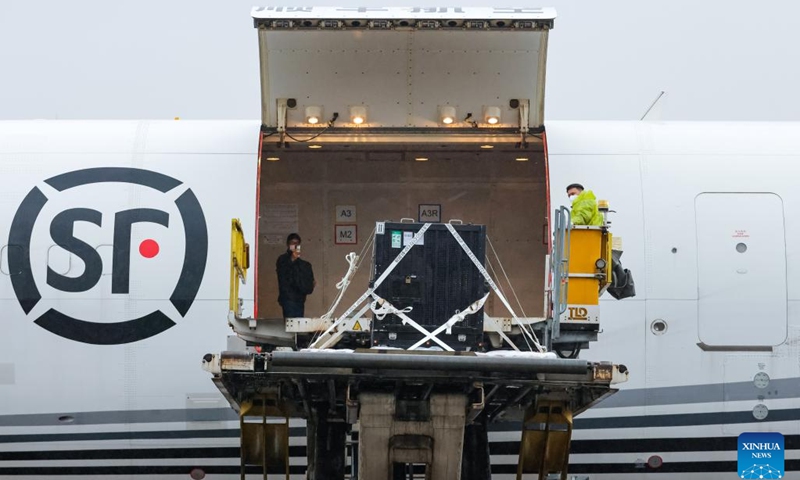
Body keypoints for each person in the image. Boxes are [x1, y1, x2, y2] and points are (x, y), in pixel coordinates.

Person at [276, 233, 315, 318]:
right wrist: (293, 259)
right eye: (292, 243)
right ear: (288, 244)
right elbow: (284, 274)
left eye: (297, 243)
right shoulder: (282, 259)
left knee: (298, 322)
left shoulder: (302, 264)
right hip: (288, 298)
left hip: (299, 298)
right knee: (290, 323)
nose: (295, 245)